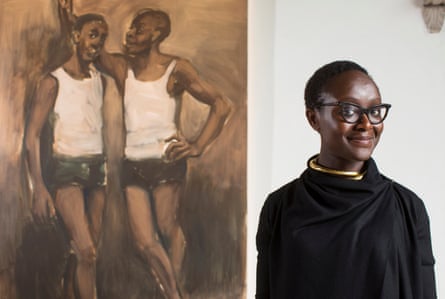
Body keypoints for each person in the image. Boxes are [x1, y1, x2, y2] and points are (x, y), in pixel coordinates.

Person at [55, 5, 232, 298]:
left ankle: (171, 291)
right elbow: (92, 49)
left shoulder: (177, 69)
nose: (130, 33)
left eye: (139, 28)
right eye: (131, 27)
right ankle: (174, 294)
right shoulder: (123, 68)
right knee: (143, 242)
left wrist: (197, 145)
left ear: (157, 34)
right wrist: (68, 21)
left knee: (167, 228)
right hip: (133, 163)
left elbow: (221, 105)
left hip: (166, 162)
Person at [255, 60, 436, 299]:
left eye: (374, 111)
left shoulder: (407, 207)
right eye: (349, 111)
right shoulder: (279, 207)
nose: (366, 124)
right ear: (313, 118)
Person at [25, 13, 109, 299]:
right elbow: (31, 137)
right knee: (87, 253)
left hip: (97, 172)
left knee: (81, 255)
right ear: (75, 36)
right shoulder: (52, 82)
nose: (98, 42)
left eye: (102, 36)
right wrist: (38, 188)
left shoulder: (100, 80)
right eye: (93, 34)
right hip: (66, 172)